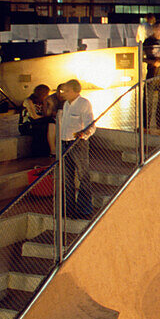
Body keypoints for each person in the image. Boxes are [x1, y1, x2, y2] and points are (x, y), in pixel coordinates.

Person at [56, 79, 94, 219]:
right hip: (64, 142)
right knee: (67, 178)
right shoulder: (66, 104)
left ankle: (84, 209)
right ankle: (69, 208)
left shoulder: (84, 104)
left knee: (82, 175)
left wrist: (84, 134)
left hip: (77, 144)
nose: (63, 93)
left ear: (74, 91)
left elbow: (91, 124)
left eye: (65, 91)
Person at [19, 85, 54, 157]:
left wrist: (50, 105)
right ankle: (39, 152)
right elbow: (33, 116)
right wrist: (44, 118)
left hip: (38, 121)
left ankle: (47, 151)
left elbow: (46, 114)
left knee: (50, 123)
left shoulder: (42, 101)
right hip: (27, 124)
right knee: (43, 126)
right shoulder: (28, 101)